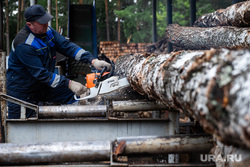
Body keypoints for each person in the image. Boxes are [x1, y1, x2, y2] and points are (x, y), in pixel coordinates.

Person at [7, 4, 111, 119]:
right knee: (21, 127)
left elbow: (67, 46)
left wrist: (92, 60)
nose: (46, 24)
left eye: (46, 21)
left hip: (43, 86)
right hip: (23, 93)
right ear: (30, 25)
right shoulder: (24, 44)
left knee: (71, 96)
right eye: (42, 22)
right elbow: (41, 74)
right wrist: (70, 83)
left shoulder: (48, 32)